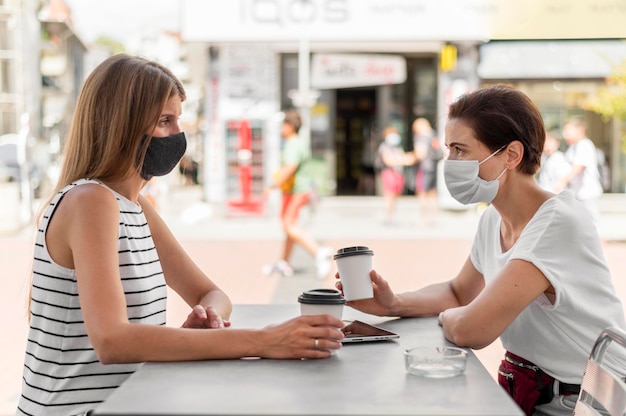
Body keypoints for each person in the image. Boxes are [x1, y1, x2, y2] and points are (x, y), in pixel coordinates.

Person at [18, 54, 344, 416]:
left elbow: (212, 294)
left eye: (178, 120)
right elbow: (112, 341)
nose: (178, 136)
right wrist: (264, 341)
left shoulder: (136, 207)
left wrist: (208, 319)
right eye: (164, 121)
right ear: (122, 125)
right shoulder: (90, 201)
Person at [337, 85, 626, 416]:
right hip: (538, 390)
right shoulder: (494, 217)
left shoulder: (556, 222)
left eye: (461, 150)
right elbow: (459, 292)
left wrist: (445, 317)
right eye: (449, 150)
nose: (451, 162)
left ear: (511, 155)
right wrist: (392, 303)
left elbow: (471, 328)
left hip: (585, 402)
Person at [262, 110, 333, 279]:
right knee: (289, 227)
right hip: (295, 190)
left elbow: (290, 168)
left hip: (296, 191)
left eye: (283, 125)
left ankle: (319, 252)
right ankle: (283, 263)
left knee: (288, 225)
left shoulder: (293, 144)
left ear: (291, 126)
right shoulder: (298, 142)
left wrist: (272, 186)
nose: (281, 129)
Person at [556, 117, 604, 223]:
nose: (565, 134)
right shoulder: (573, 147)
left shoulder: (584, 144)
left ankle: (599, 240)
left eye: (568, 131)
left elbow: (579, 167)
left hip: (587, 192)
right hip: (577, 193)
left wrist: (562, 181)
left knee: (592, 223)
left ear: (580, 130)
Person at [375, 125, 414, 225]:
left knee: (395, 196)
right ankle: (388, 217)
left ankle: (392, 216)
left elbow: (405, 158)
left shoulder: (397, 147)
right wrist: (402, 160)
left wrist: (406, 159)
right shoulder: (384, 147)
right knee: (389, 196)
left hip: (398, 173)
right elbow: (388, 161)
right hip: (389, 173)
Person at [412, 117, 443, 225]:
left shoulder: (421, 137)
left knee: (422, 194)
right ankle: (434, 218)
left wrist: (410, 158)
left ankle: (424, 218)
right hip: (432, 167)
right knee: (432, 193)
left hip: (424, 168)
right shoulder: (432, 135)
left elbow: (420, 154)